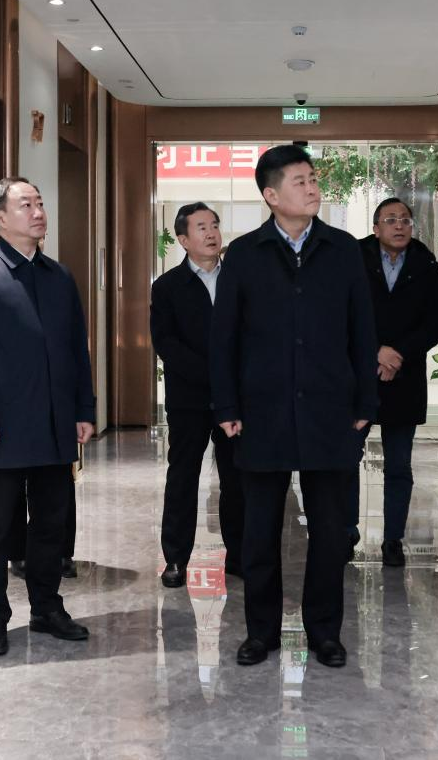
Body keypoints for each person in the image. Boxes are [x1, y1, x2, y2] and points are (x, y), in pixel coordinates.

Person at [210, 144, 378, 669]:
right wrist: (227, 404)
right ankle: (260, 632)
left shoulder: (343, 249)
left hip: (331, 410)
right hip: (262, 411)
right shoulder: (244, 254)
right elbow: (224, 338)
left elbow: (362, 329)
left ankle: (324, 632)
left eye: (313, 179)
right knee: (259, 532)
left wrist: (366, 399)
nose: (312, 188)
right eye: (300, 181)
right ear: (271, 195)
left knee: (330, 533)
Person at [0, 177, 96, 656]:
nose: (37, 212)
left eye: (40, 203)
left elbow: (76, 351)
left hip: (54, 425)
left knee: (52, 523)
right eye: (25, 205)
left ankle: (47, 607)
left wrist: (83, 410)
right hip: (3, 427)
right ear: (0, 218)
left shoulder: (59, 277)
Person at [347, 197, 438, 567]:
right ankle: (347, 531)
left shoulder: (426, 264)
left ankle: (393, 539)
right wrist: (376, 352)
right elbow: (341, 313)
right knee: (347, 458)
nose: (400, 225)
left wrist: (397, 354)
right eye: (391, 219)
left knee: (399, 465)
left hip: (404, 375)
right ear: (376, 228)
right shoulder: (353, 259)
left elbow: (435, 322)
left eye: (405, 219)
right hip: (360, 375)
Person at [151, 201, 244, 588]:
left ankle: (239, 555)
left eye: (214, 225)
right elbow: (166, 343)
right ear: (183, 239)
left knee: (237, 478)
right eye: (201, 227)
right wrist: (213, 374)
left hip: (236, 399)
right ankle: (175, 558)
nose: (211, 233)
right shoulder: (167, 286)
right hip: (188, 399)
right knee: (183, 477)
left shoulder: (239, 281)